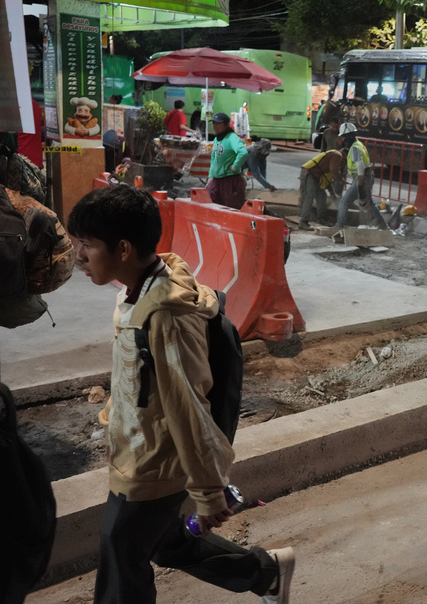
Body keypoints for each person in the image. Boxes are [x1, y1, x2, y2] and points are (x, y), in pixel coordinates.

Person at [66, 186, 295, 604]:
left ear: (122, 249)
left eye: (87, 245)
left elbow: (189, 408)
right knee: (162, 541)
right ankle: (265, 574)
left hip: (154, 465)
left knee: (120, 547)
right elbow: (144, 382)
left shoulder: (166, 316)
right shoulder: (138, 289)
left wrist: (208, 493)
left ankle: (265, 574)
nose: (78, 254)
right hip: (139, 448)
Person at [335, 124, 389, 230]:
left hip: (362, 178)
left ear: (349, 136)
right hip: (366, 177)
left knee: (345, 201)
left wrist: (360, 185)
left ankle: (339, 225)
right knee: (369, 203)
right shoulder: (358, 144)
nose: (343, 141)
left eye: (344, 137)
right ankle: (383, 226)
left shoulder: (355, 148)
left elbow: (360, 166)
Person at [205, 112, 249, 209]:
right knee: (212, 206)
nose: (214, 126)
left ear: (226, 125)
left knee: (230, 209)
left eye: (218, 124)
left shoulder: (231, 138)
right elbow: (214, 158)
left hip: (230, 181)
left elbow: (243, 152)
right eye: (213, 123)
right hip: (216, 180)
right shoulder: (217, 138)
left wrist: (235, 167)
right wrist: (210, 176)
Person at [298, 145, 347, 230]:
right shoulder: (338, 155)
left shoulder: (335, 157)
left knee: (322, 196)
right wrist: (340, 177)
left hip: (317, 177)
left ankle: (321, 219)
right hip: (309, 173)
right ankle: (303, 222)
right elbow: (333, 169)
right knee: (310, 196)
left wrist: (332, 193)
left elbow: (327, 181)